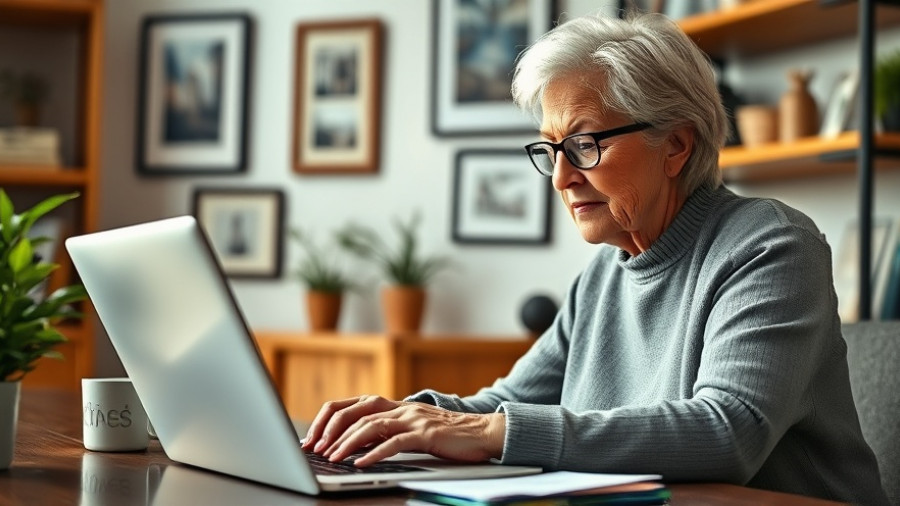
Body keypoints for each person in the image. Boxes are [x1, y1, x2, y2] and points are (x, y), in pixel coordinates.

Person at [301, 11, 889, 505]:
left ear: (676, 145)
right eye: (550, 149)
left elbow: (727, 431)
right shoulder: (604, 274)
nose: (560, 177)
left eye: (583, 145)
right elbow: (505, 406)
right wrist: (402, 418)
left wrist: (485, 431)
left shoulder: (770, 246)